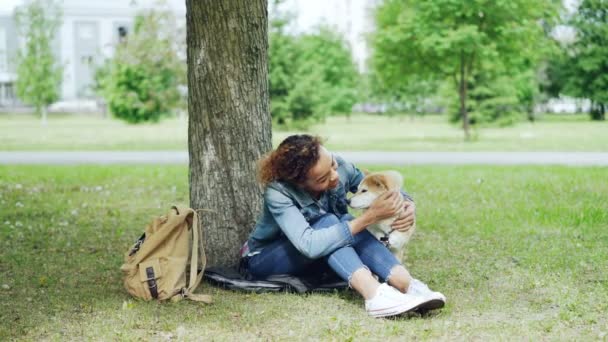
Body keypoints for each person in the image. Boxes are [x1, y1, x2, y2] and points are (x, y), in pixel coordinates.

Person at [239, 134, 445, 318]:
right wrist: (369, 217)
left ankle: (406, 284)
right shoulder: (278, 192)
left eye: (332, 165)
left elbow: (378, 184)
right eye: (323, 178)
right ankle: (374, 295)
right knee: (330, 222)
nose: (334, 176)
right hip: (265, 260)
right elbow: (309, 245)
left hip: (320, 255)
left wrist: (406, 203)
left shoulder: (340, 166)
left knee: (344, 222)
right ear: (299, 183)